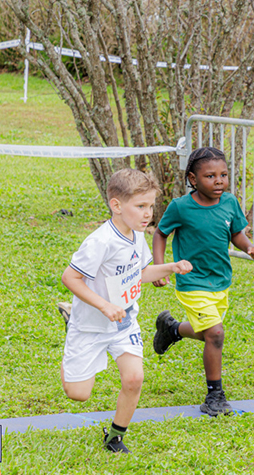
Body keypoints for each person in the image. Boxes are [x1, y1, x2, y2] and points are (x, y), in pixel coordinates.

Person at [60, 168, 192, 454]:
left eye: (151, 206)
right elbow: (70, 277)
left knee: (134, 379)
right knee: (78, 394)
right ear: (116, 205)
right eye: (141, 206)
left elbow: (140, 273)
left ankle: (115, 437)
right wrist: (104, 305)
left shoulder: (137, 235)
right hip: (91, 325)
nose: (148, 214)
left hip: (124, 323)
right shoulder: (100, 241)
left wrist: (171, 267)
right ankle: (71, 321)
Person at [151, 147, 254, 417]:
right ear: (193, 179)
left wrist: (249, 247)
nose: (219, 181)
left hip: (220, 281)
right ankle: (215, 395)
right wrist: (159, 267)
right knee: (215, 333)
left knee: (208, 333)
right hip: (192, 282)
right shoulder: (180, 207)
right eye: (210, 176)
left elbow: (236, 233)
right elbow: (160, 233)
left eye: (223, 175)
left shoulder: (230, 202)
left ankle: (173, 330)